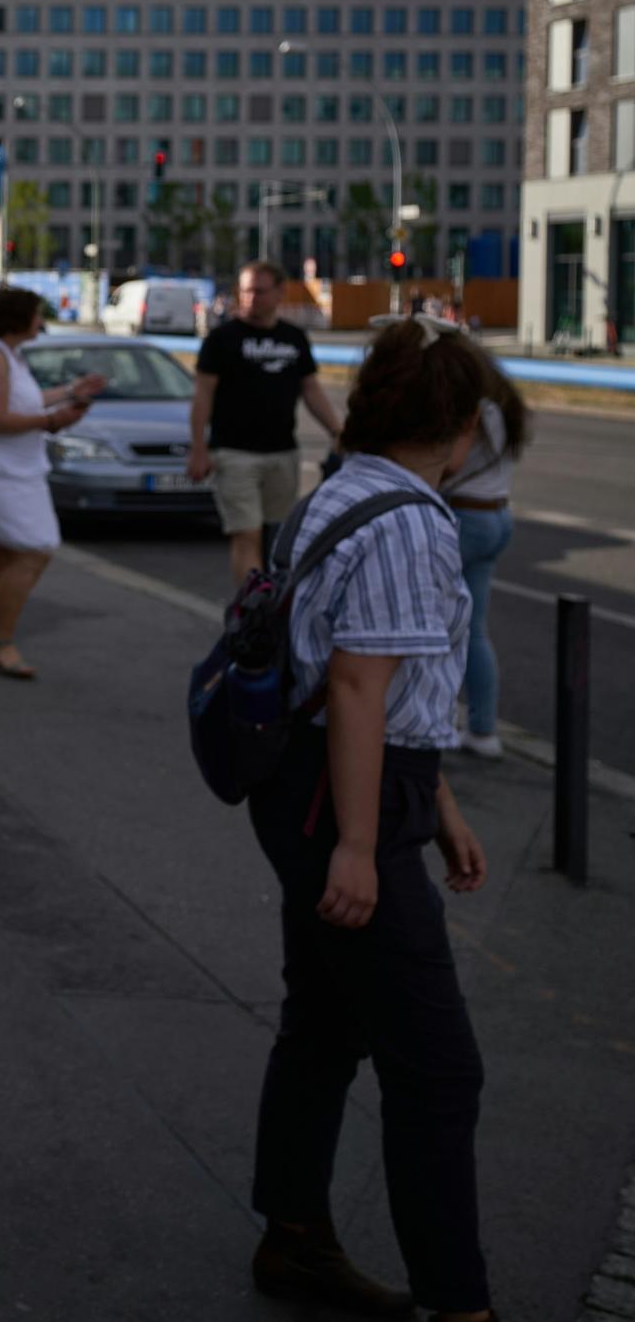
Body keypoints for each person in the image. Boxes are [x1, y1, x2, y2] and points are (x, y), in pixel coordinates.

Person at [242, 318, 496, 1322]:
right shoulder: (411, 523)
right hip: (345, 803)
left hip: (316, 784)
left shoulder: (339, 492)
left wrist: (439, 803)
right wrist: (361, 843)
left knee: (323, 1023)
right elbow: (356, 685)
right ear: (462, 428)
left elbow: (372, 686)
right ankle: (459, 1304)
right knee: (438, 1071)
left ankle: (294, 1235)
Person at [0, 286, 105, 679]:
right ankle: (1, 642)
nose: (41, 321)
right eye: (37, 314)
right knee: (37, 548)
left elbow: (21, 403)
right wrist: (52, 421)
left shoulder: (7, 355)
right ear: (18, 318)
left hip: (8, 471)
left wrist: (69, 393)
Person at [188, 261, 345, 591]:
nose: (251, 298)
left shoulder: (293, 338)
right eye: (245, 291)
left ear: (279, 293)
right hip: (234, 452)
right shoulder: (222, 339)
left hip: (282, 452)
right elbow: (203, 396)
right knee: (246, 533)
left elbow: (311, 389)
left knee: (277, 535)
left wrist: (336, 431)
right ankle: (252, 607)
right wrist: (198, 448)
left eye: (259, 291)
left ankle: (272, 600)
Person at [443, 349, 528, 762]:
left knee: (434, 627)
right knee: (474, 630)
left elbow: (449, 463)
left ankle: (436, 725)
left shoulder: (472, 409)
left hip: (465, 516)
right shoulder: (505, 406)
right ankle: (483, 729)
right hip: (497, 515)